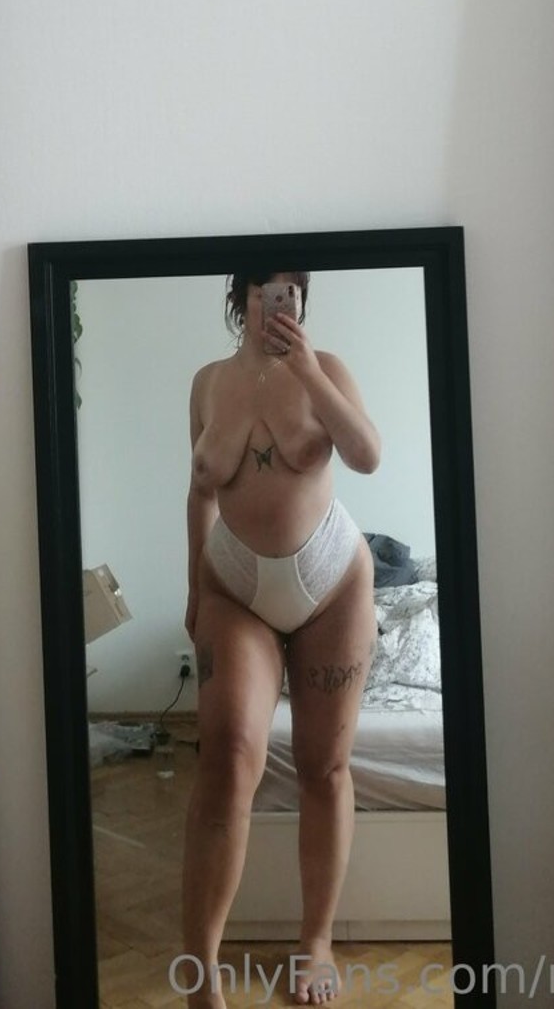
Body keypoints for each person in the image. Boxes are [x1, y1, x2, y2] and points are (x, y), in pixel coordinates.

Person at [180, 271, 382, 1008]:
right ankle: (200, 969)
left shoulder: (325, 369)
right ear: (241, 297)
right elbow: (201, 487)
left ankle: (315, 942)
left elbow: (367, 454)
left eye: (292, 289)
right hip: (235, 586)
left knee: (324, 767)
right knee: (229, 757)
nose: (279, 301)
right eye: (266, 288)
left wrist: (306, 371)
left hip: (332, 581)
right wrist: (194, 589)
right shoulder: (208, 382)